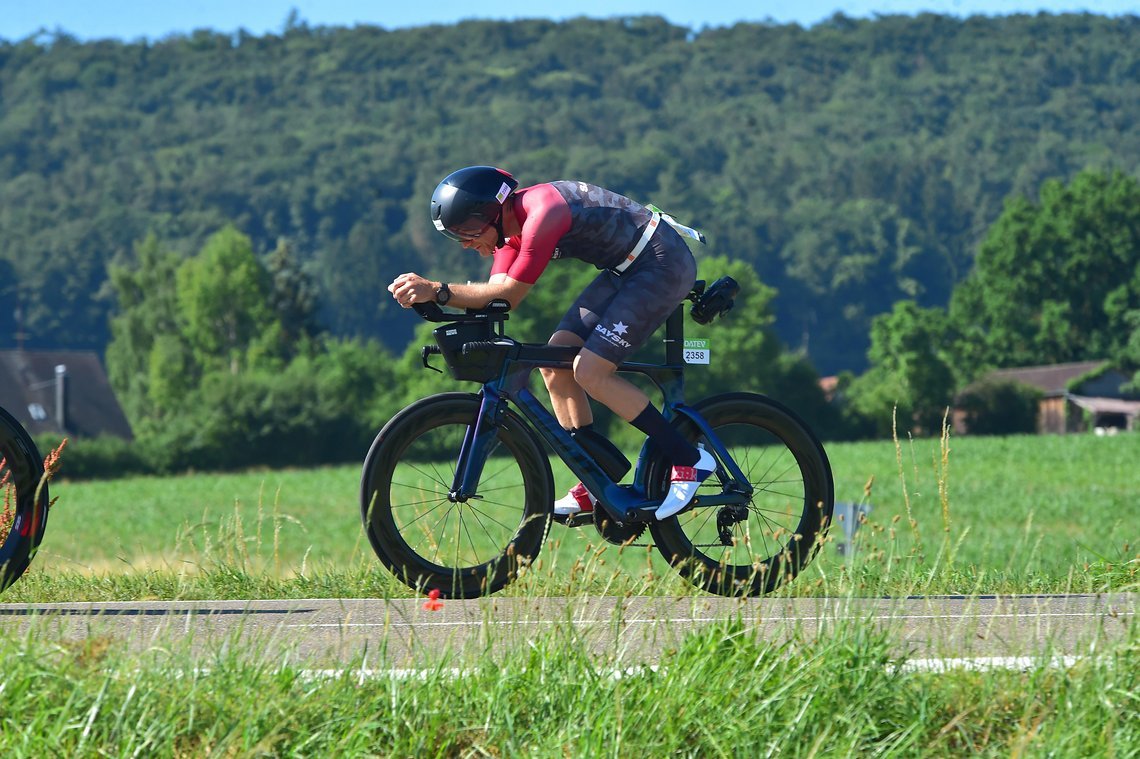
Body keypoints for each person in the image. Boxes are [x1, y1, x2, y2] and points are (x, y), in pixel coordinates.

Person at [387, 165, 714, 520]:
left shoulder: (544, 213)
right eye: (456, 235)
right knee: (554, 362)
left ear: (494, 213)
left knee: (590, 371)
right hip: (626, 269)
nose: (465, 243)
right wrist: (434, 300)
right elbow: (494, 298)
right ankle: (596, 481)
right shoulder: (509, 234)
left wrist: (437, 290)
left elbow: (509, 295)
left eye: (467, 230)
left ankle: (690, 458)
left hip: (661, 264)